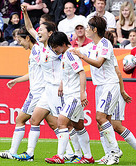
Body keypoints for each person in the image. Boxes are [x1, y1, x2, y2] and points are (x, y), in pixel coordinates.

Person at [13, 4, 74, 161]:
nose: (38, 31)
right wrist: (25, 12)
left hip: (58, 90)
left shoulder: (56, 49)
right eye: (38, 30)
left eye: (41, 30)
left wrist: (62, 83)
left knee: (65, 124)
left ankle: (74, 153)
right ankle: (30, 153)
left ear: (50, 33)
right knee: (35, 119)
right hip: (47, 91)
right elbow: (29, 27)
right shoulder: (40, 45)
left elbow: (67, 64)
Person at [72, 16, 122, 165]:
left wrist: (81, 56)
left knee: (101, 118)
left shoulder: (105, 44)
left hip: (109, 85)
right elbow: (76, 50)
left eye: (88, 27)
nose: (86, 30)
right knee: (100, 122)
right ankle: (109, 154)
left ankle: (115, 150)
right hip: (100, 86)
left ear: (94, 29)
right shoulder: (91, 45)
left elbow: (99, 63)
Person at [96, 31, 136, 165]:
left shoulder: (107, 53)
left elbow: (118, 73)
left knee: (116, 125)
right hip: (106, 90)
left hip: (114, 92)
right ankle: (109, 153)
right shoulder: (99, 52)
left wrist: (122, 91)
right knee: (101, 124)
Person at [0, 26, 46, 159]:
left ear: (28, 38)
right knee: (56, 124)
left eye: (20, 40)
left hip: (38, 92)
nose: (19, 43)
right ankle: (70, 153)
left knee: (20, 119)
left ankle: (16, 152)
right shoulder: (34, 52)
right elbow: (33, 73)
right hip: (39, 92)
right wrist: (16, 80)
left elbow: (29, 27)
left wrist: (24, 13)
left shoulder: (38, 50)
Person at [44, 31, 94, 164]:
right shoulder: (65, 56)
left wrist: (82, 93)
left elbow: (82, 73)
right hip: (70, 95)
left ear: (62, 44)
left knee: (61, 121)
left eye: (55, 46)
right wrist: (62, 84)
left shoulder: (70, 55)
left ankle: (60, 156)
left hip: (74, 96)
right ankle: (88, 157)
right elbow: (69, 74)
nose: (54, 49)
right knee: (79, 126)